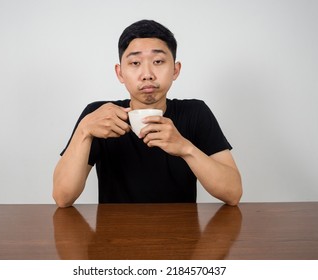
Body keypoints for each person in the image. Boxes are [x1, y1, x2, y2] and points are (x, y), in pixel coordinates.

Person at [53, 19, 242, 207]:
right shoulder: (99, 116)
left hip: (182, 235)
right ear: (120, 73)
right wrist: (84, 130)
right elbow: (62, 198)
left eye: (158, 61)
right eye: (135, 62)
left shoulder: (195, 112)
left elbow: (233, 193)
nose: (147, 74)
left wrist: (185, 148)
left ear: (175, 70)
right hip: (112, 235)